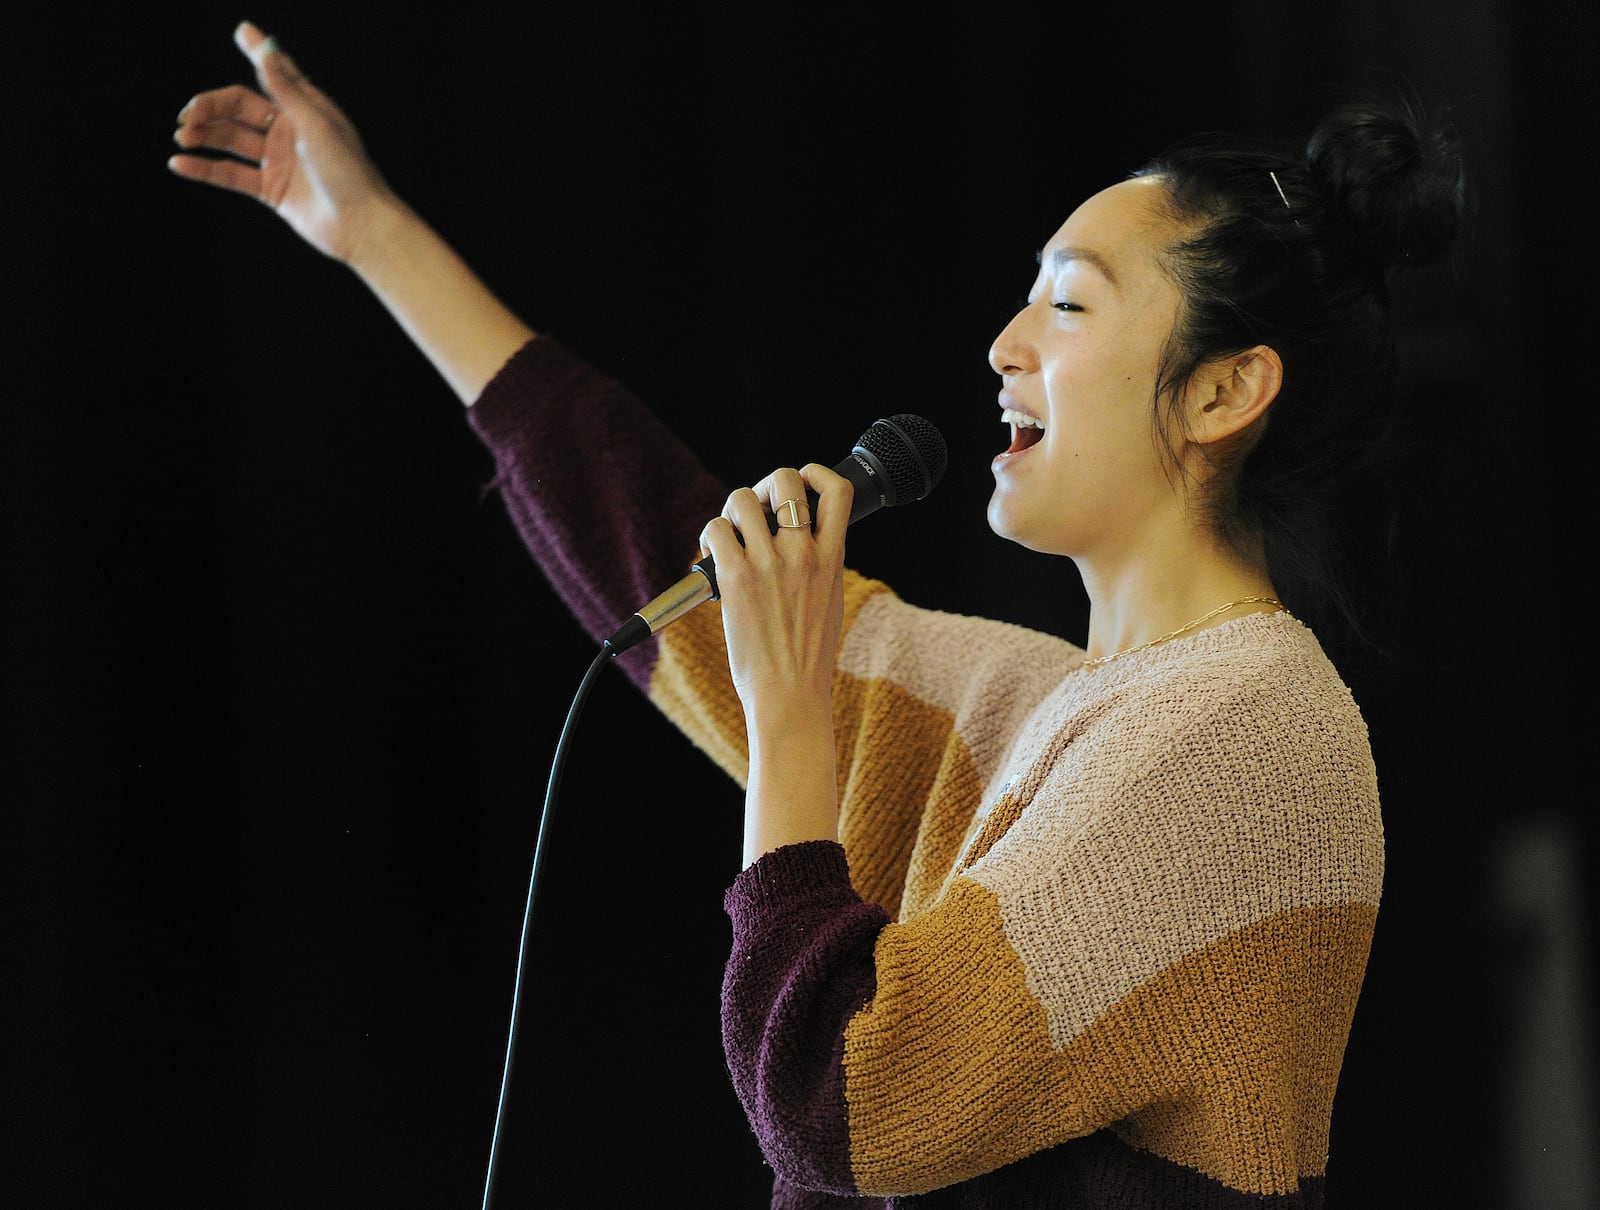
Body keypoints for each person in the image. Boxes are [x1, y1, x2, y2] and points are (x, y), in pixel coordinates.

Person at [170, 21, 1465, 1208]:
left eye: (1068, 301)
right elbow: (669, 563)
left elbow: (849, 1104)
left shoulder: (1245, 726)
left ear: (1225, 389)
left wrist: (791, 739)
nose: (1007, 342)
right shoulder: (1038, 705)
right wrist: (373, 232)